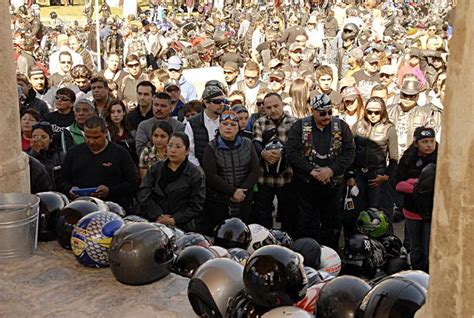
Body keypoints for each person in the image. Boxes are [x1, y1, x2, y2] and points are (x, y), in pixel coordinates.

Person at [285, 94, 355, 250]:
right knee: (306, 224)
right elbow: (291, 152)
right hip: (306, 185)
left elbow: (349, 152)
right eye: (322, 113)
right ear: (313, 111)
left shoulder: (341, 126)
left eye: (330, 112)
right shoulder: (300, 126)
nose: (327, 117)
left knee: (332, 224)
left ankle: (331, 255)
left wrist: (331, 170)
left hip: (333, 185)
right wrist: (312, 171)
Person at [60, 116, 140, 212]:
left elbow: (133, 182)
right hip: (80, 208)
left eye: (96, 137)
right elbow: (62, 181)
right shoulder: (74, 153)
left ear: (106, 133)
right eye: (87, 137)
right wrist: (70, 189)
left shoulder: (120, 153)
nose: (91, 141)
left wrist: (110, 190)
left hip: (113, 208)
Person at [344, 97, 398, 235]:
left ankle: (382, 243)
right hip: (358, 173)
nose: (373, 115)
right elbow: (349, 151)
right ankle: (354, 241)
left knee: (377, 213)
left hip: (377, 174)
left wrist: (386, 177)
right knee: (353, 210)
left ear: (383, 112)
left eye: (377, 112)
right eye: (370, 112)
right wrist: (350, 175)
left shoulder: (389, 128)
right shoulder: (358, 125)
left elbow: (393, 158)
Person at [201, 110, 260, 235]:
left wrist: (241, 191)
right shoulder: (211, 147)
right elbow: (211, 175)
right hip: (219, 201)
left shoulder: (248, 144)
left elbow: (255, 170)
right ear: (219, 125)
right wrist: (232, 192)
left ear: (238, 127)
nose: (228, 127)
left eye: (233, 124)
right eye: (225, 123)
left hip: (244, 199)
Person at [137, 132, 205, 232]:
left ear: (187, 151)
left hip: (182, 226)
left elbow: (196, 206)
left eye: (178, 147)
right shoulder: (156, 167)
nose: (173, 150)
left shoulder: (196, 174)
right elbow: (143, 192)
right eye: (170, 146)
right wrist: (158, 216)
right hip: (154, 221)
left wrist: (174, 219)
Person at [252, 93, 297, 233]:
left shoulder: (294, 122)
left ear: (282, 104)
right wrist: (263, 153)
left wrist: (282, 153)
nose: (273, 110)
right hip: (265, 178)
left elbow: (296, 146)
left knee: (289, 214)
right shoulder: (260, 122)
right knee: (263, 214)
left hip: (287, 177)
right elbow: (256, 142)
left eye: (276, 106)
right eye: (268, 107)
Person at [396, 127, 437, 272]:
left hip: (431, 212)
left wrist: (415, 183)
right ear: (416, 143)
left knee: (428, 248)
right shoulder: (408, 158)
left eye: (432, 141)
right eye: (425, 141)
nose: (429, 145)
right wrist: (417, 187)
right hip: (412, 210)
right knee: (415, 248)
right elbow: (398, 183)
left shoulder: (440, 158)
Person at [185, 86, 226, 166]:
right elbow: (189, 152)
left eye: (223, 101)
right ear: (206, 102)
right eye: (217, 101)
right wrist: (199, 169)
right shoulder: (193, 123)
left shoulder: (227, 120)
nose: (221, 104)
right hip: (200, 168)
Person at [135, 92, 185, 156]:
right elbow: (140, 150)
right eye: (156, 105)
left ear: (170, 109)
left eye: (163, 106)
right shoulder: (143, 126)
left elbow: (178, 150)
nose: (158, 108)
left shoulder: (179, 126)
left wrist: (151, 145)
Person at [29, 122, 65, 190]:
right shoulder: (27, 156)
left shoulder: (60, 156)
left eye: (43, 137)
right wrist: (35, 151)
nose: (39, 140)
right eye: (35, 137)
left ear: (50, 139)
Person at [104, 99, 137, 163]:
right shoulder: (105, 132)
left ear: (124, 112)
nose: (116, 115)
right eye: (112, 112)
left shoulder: (131, 131)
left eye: (119, 111)